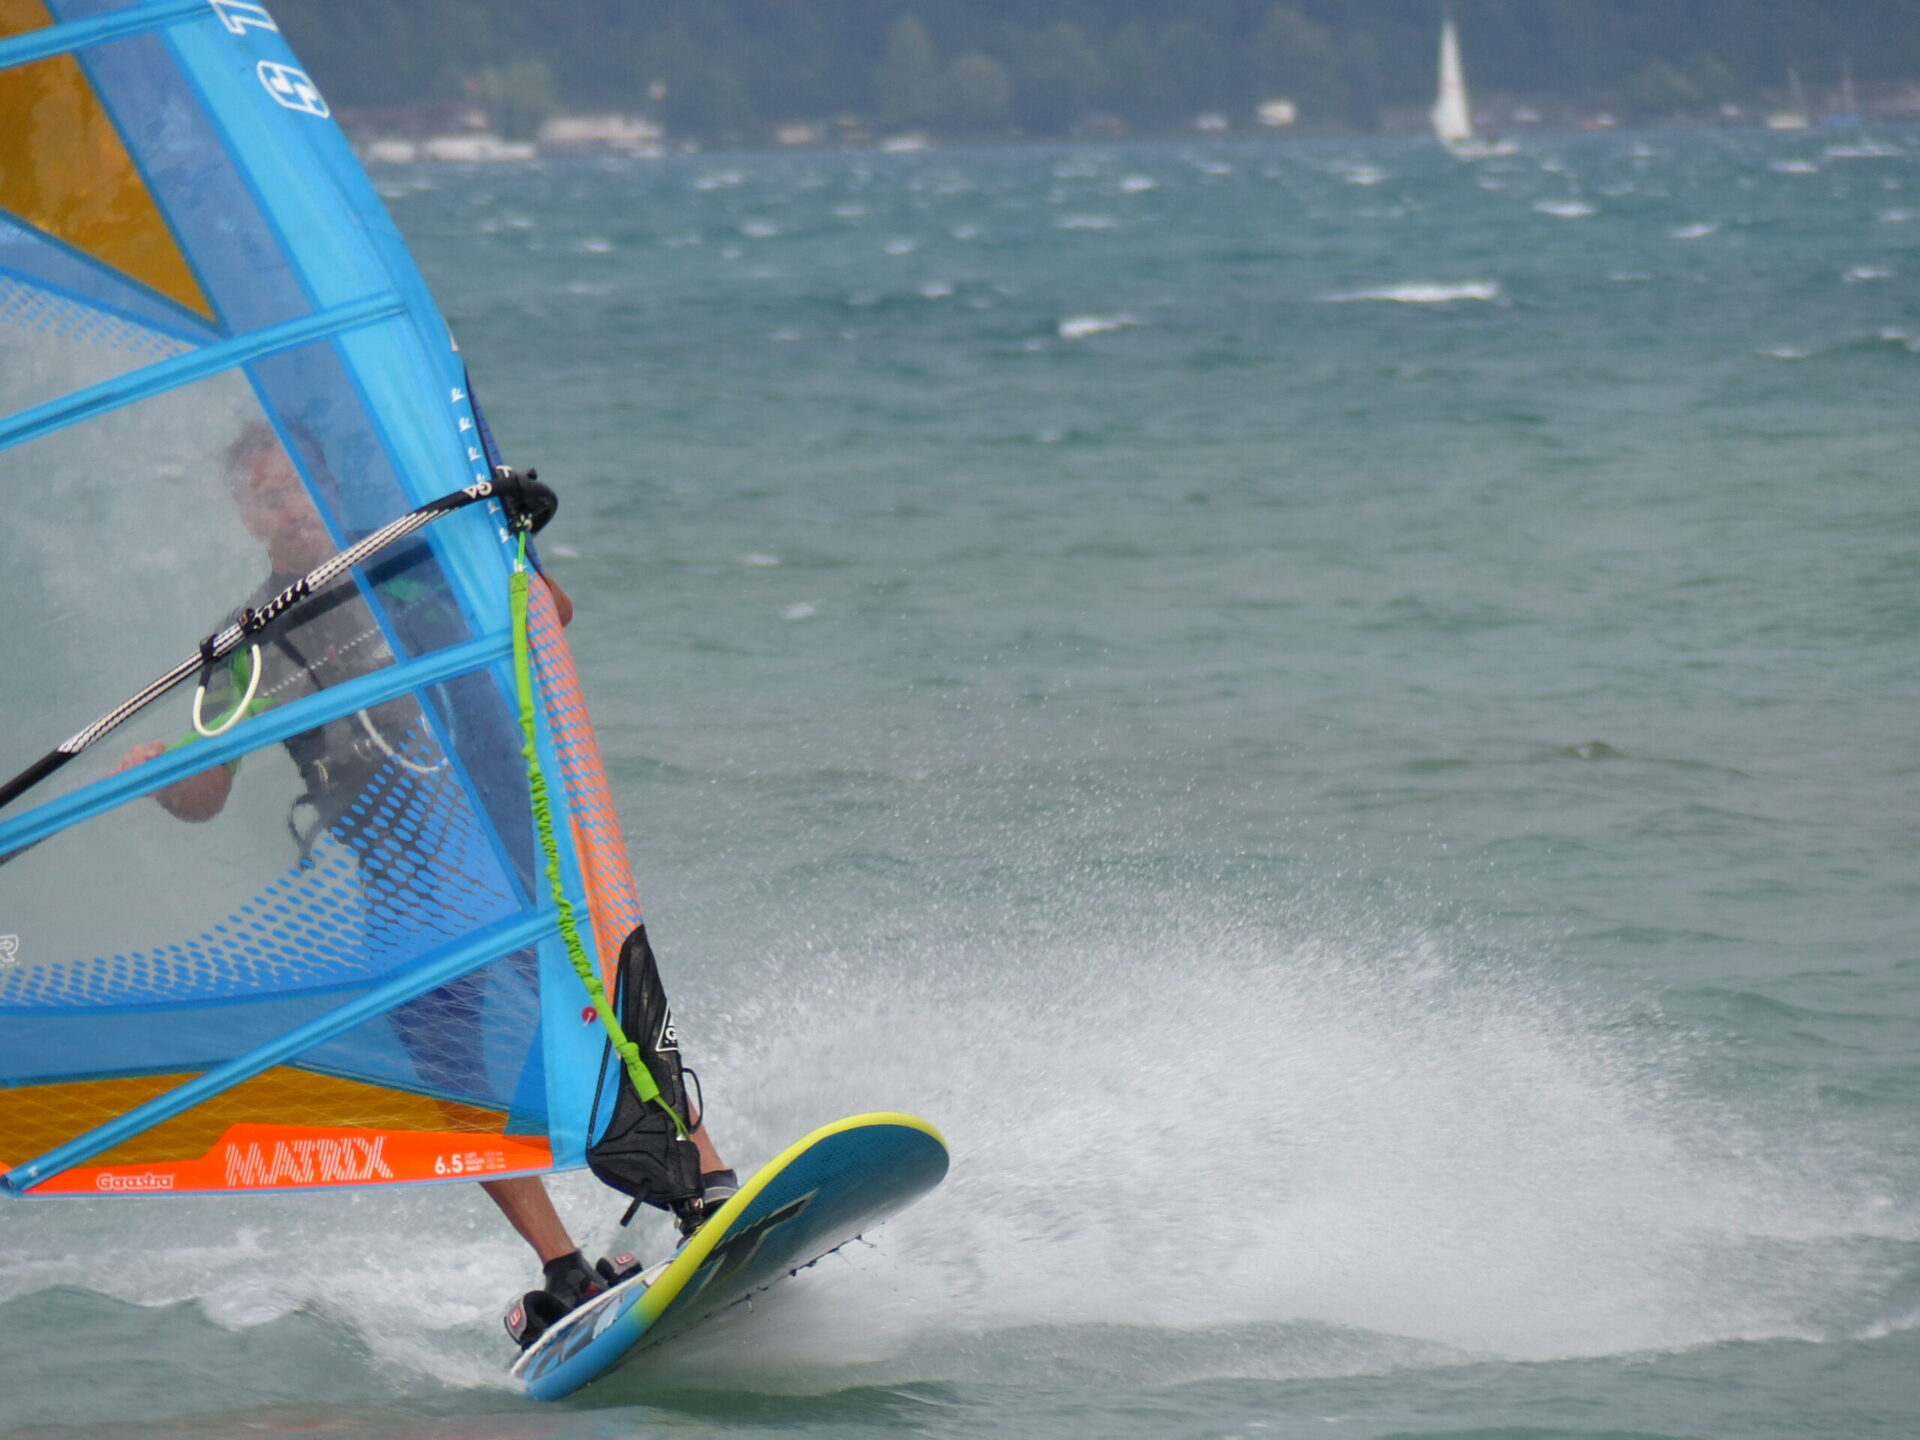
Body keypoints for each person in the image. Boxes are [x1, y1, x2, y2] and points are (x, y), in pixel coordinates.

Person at [119, 425, 733, 1342]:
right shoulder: (245, 644)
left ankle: (706, 1181)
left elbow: (550, 618)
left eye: (301, 484)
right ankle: (563, 1268)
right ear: (247, 517)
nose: (291, 507)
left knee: (602, 1005)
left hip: (502, 845)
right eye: (268, 496)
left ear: (331, 486)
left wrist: (512, 554)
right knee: (451, 1073)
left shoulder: (410, 567)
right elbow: (206, 793)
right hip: (401, 885)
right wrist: (155, 774)